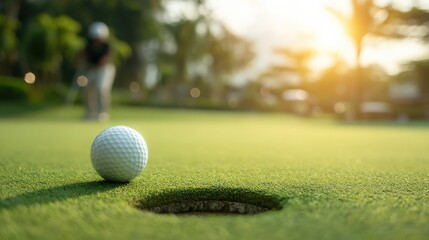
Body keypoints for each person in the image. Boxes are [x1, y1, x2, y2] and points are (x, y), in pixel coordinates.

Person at [80, 22, 115, 121]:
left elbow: (105, 60)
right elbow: (84, 57)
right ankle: (90, 112)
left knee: (101, 88)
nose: (97, 39)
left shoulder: (107, 46)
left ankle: (102, 112)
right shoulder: (89, 45)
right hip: (92, 69)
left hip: (105, 69)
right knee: (87, 89)